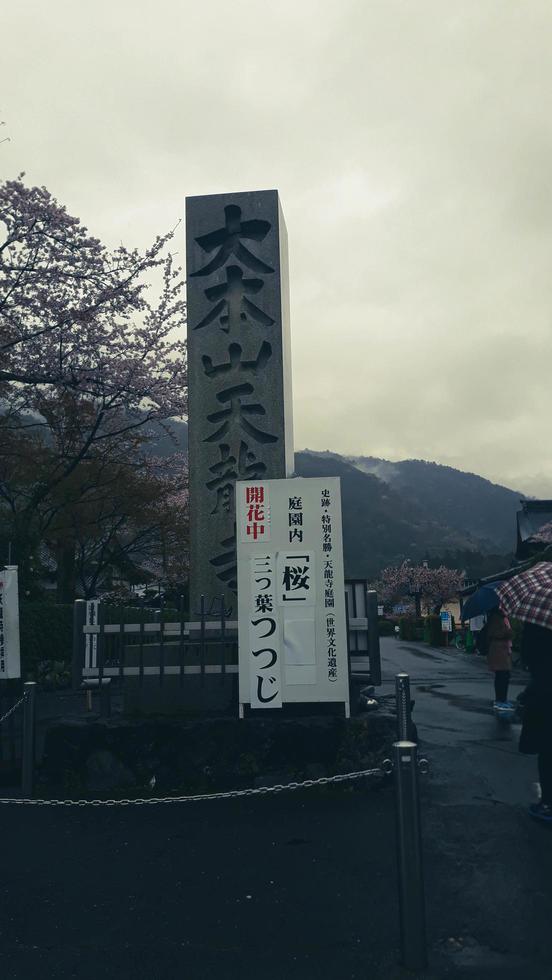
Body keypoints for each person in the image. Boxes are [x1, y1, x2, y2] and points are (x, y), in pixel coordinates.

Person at [519, 621, 552, 823]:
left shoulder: (537, 624)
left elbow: (528, 658)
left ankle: (548, 803)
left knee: (547, 751)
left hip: (544, 698)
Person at [482, 608, 513, 709]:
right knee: (502, 675)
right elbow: (493, 633)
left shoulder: (503, 617)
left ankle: (502, 699)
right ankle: (500, 700)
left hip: (503, 650)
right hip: (498, 651)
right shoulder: (496, 617)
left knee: (505, 675)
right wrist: (507, 632)